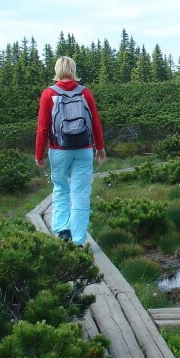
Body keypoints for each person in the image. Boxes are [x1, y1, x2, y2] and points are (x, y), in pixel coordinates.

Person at [35, 56, 106, 246]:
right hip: (83, 149)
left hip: (59, 150)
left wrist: (39, 153)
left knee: (60, 189)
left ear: (57, 70)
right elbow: (96, 124)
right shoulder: (85, 93)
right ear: (73, 70)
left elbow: (43, 127)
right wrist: (100, 147)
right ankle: (79, 240)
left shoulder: (48, 94)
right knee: (81, 194)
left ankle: (62, 231)